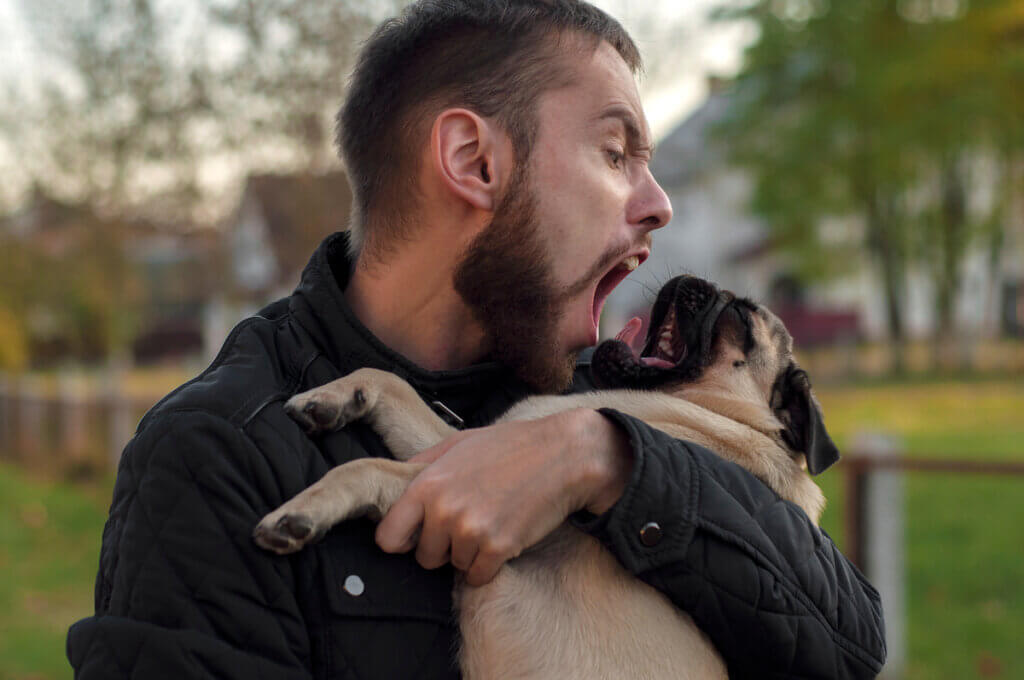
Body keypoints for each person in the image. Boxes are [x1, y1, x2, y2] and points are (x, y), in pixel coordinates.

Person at [67, 1, 886, 678]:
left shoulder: (612, 405)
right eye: (615, 152)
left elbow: (852, 646)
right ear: (474, 161)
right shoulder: (220, 455)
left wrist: (608, 459)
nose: (658, 203)